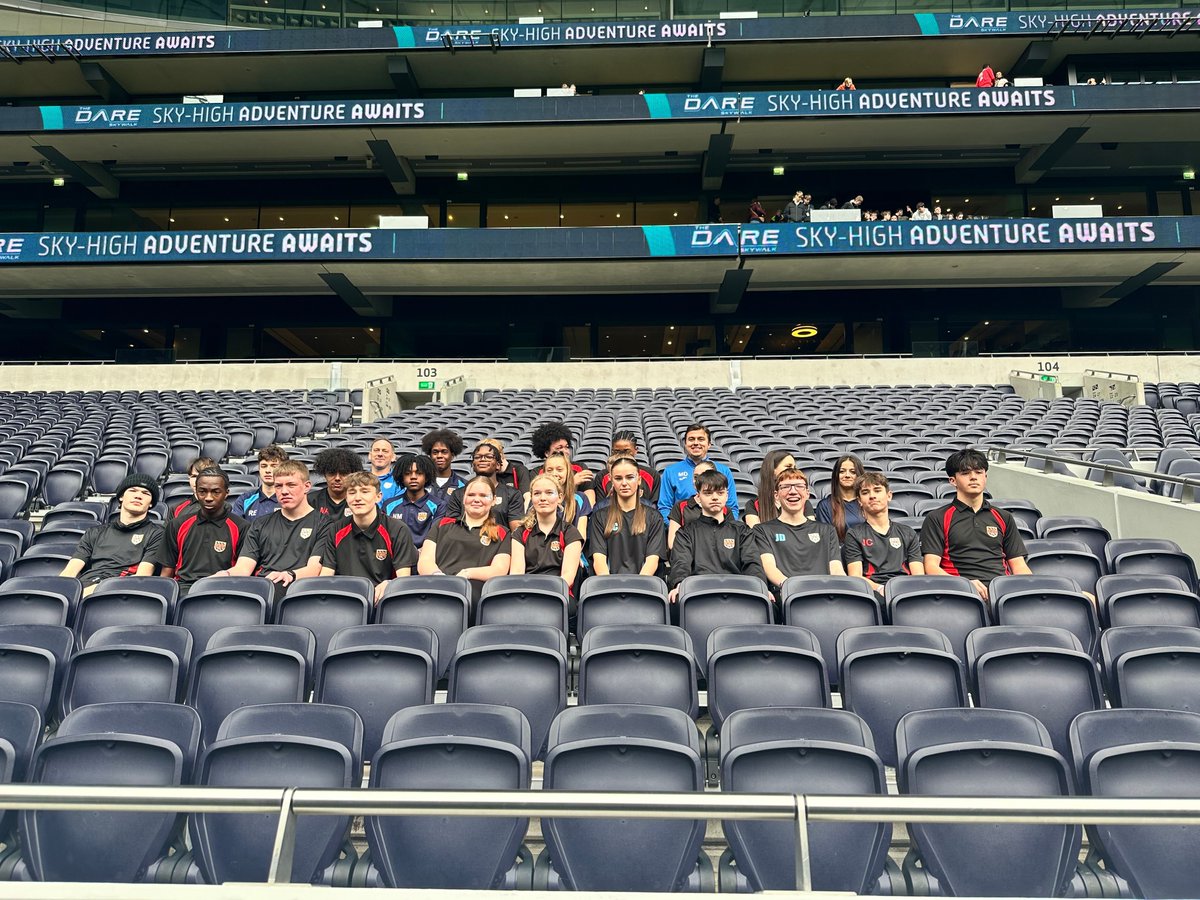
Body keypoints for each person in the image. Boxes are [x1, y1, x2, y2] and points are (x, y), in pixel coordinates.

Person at [920, 447, 1032, 601]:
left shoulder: (1003, 517)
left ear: (985, 476)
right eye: (965, 473)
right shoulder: (937, 517)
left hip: (1003, 592)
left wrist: (1029, 589)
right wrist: (964, 584)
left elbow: (1018, 564)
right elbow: (931, 566)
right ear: (952, 481)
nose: (973, 477)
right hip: (961, 593)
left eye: (978, 472)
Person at [225, 460, 329, 601]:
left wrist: (289, 574)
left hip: (299, 590)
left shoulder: (324, 524)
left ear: (307, 487)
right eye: (278, 486)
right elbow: (243, 568)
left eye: (291, 485)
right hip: (263, 589)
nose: (284, 491)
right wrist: (224, 575)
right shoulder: (260, 524)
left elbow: (314, 569)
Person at [319, 471, 417, 603]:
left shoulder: (397, 529)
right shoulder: (336, 530)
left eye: (365, 491)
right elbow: (326, 576)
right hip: (345, 600)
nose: (357, 498)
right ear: (346, 498)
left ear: (378, 496)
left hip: (384, 600)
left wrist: (389, 583)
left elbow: (403, 580)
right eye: (352, 492)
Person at [60, 473, 165, 595]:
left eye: (146, 493)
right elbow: (69, 572)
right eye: (133, 490)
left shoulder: (157, 534)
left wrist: (89, 592)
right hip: (84, 586)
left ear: (151, 503)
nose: (138, 496)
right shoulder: (95, 532)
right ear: (121, 497)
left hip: (118, 591)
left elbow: (141, 577)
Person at [418, 475, 513, 608]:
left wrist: (466, 574)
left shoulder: (502, 532)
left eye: (483, 495)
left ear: (494, 500)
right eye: (471, 494)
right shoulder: (442, 524)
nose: (476, 499)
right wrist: (439, 577)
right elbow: (424, 561)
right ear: (463, 498)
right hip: (437, 588)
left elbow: (499, 569)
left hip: (474, 596)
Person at [668, 469, 758, 601]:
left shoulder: (742, 531)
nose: (715, 497)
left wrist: (759, 587)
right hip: (699, 593)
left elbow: (752, 563)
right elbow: (681, 562)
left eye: (720, 493)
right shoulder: (685, 533)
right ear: (698, 497)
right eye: (708, 493)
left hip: (737, 591)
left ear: (727, 496)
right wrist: (680, 583)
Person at [753, 467, 845, 594]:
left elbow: (836, 569)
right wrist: (791, 587)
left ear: (807, 493)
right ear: (776, 495)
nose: (793, 491)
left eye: (799, 486)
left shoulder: (827, 530)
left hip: (824, 593)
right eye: (785, 487)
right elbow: (770, 568)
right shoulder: (762, 530)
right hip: (787, 593)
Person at [158, 467, 246, 592]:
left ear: (227, 493)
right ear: (196, 492)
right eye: (202, 491)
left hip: (224, 589)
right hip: (183, 590)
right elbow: (167, 571)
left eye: (216, 492)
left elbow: (243, 570)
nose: (208, 497)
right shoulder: (177, 525)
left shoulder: (241, 527)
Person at [844, 472, 924, 597]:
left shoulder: (908, 532)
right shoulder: (854, 534)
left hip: (906, 590)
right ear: (859, 501)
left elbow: (918, 575)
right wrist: (880, 589)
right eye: (865, 492)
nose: (872, 496)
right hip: (873, 591)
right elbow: (856, 577)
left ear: (889, 495)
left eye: (877, 490)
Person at [589, 455, 666, 577]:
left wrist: (637, 589)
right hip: (608, 587)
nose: (624, 483)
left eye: (630, 477)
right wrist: (608, 588)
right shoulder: (599, 517)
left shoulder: (654, 517)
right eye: (618, 478)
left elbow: (652, 560)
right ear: (611, 480)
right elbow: (599, 560)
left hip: (643, 588)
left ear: (639, 479)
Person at [511, 472, 584, 591]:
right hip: (526, 592)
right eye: (537, 493)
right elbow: (516, 573)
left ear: (560, 497)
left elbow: (567, 578)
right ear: (531, 498)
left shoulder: (570, 533)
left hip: (558, 593)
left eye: (549, 493)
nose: (543, 498)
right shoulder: (520, 532)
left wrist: (545, 594)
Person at [657, 423, 739, 523]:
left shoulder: (724, 471)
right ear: (685, 444)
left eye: (701, 439)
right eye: (691, 439)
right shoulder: (670, 472)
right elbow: (664, 508)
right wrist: (678, 531)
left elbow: (732, 508)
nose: (696, 443)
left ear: (709, 444)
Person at [442, 441, 525, 530]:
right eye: (478, 457)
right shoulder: (458, 494)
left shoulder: (512, 494)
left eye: (489, 457)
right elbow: (449, 527)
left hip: (499, 541)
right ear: (473, 465)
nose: (482, 459)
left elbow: (516, 530)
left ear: (498, 465)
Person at [384, 453, 445, 549]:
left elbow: (437, 537)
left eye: (419, 473)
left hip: (426, 557)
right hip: (396, 557)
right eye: (408, 473)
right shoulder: (389, 505)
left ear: (427, 477)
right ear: (401, 477)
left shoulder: (439, 505)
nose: (413, 477)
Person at [530, 421, 594, 494]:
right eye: (559, 448)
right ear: (547, 453)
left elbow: (590, 500)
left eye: (566, 447)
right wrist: (571, 483)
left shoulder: (580, 468)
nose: (565, 451)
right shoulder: (536, 473)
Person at [539, 451, 591, 540]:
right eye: (549, 470)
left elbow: (581, 536)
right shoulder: (538, 499)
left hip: (573, 551)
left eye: (559, 470)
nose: (554, 474)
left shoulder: (580, 498)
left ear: (568, 472)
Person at [667, 459, 717, 549]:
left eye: (704, 476)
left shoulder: (724, 509)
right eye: (695, 477)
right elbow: (672, 544)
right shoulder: (680, 507)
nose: (698, 480)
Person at [816, 454, 867, 541]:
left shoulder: (867, 502)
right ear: (836, 475)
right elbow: (827, 540)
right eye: (842, 471)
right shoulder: (825, 506)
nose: (847, 475)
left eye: (853, 472)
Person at [598, 430, 659, 503]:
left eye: (626, 451)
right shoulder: (602, 476)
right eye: (617, 451)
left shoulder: (652, 475)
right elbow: (599, 508)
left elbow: (654, 507)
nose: (622, 455)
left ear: (636, 450)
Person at [743, 449, 797, 528]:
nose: (793, 471)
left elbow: (810, 531)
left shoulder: (803, 503)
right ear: (773, 470)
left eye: (794, 467)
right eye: (788, 466)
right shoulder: (753, 505)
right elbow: (756, 534)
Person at [232, 444, 287, 519]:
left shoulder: (290, 498)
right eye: (264, 466)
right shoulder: (244, 500)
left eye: (274, 466)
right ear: (259, 468)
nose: (268, 471)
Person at [309, 447, 364, 519]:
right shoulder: (310, 500)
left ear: (352, 475)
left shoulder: (360, 501)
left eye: (343, 473)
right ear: (325, 475)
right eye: (332, 473)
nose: (337, 478)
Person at [421, 428, 467, 498]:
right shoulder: (421, 483)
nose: (439, 456)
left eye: (444, 452)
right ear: (430, 455)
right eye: (435, 452)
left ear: (452, 455)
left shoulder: (464, 485)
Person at [171, 456, 218, 520]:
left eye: (203, 476)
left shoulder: (224, 508)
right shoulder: (176, 509)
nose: (197, 481)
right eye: (194, 476)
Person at [368, 438, 400, 503]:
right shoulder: (359, 480)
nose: (380, 454)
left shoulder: (399, 483)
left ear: (393, 457)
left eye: (385, 451)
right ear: (370, 455)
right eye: (376, 450)